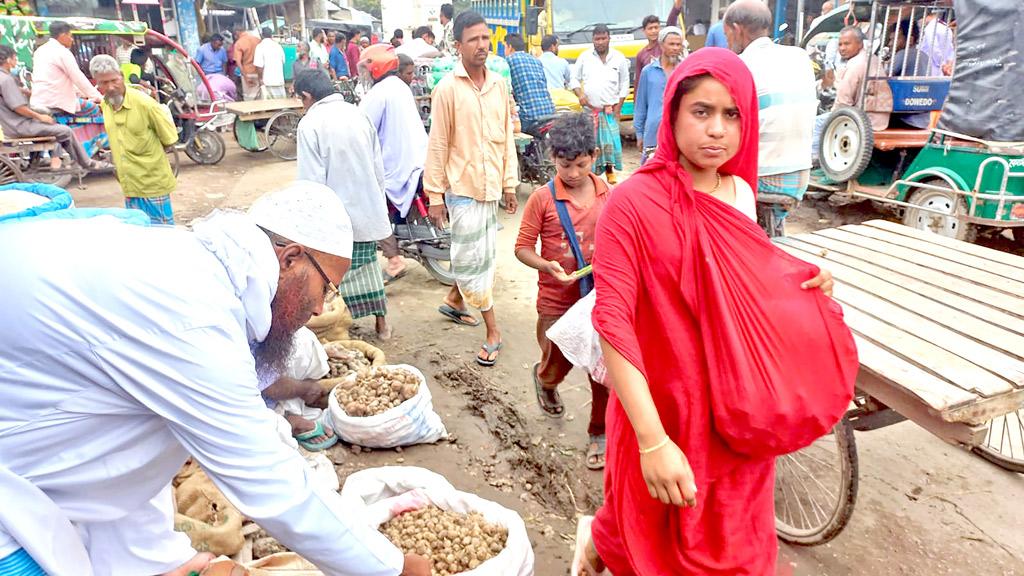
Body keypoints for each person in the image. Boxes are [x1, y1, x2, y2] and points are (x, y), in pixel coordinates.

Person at [0, 182, 432, 576]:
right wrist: (392, 569)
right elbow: (273, 485)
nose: (321, 310)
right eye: (326, 289)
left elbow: (129, 435)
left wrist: (167, 559)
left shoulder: (198, 271)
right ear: (291, 258)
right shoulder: (193, 316)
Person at [574, 47, 839, 576]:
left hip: (732, 404)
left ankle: (599, 542)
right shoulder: (631, 202)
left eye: (732, 114)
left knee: (733, 540)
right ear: (671, 115)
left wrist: (803, 283)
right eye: (702, 112)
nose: (717, 129)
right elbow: (612, 320)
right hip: (661, 404)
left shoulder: (740, 192)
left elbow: (739, 284)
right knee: (648, 529)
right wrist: (652, 443)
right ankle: (596, 546)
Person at [515, 112, 610, 470]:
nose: (571, 173)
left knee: (601, 369)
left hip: (597, 299)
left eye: (580, 164)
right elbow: (522, 247)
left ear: (594, 157)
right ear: (552, 158)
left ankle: (598, 432)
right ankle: (545, 380)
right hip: (556, 301)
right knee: (557, 362)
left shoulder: (608, 194)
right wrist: (546, 265)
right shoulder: (542, 199)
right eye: (564, 164)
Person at [425, 10, 518, 366]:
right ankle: (492, 331)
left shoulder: (499, 85)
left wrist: (510, 184)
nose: (482, 45)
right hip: (461, 189)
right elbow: (437, 144)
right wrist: (434, 195)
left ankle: (454, 300)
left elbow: (506, 137)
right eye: (473, 39)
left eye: (485, 38)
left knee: (482, 255)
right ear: (458, 45)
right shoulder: (447, 90)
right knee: (472, 262)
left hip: (491, 186)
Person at [294, 69, 394, 340]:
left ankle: (337, 326)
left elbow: (311, 181)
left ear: (306, 96)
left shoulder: (310, 123)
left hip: (333, 215)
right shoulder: (358, 114)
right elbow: (377, 166)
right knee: (368, 267)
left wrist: (308, 220)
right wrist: (377, 201)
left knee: (330, 274)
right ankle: (381, 325)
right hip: (366, 206)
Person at [726, 0, 817, 232]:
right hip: (799, 175)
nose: (728, 42)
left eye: (727, 35)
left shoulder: (740, 65)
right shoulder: (799, 56)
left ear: (737, 30)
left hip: (765, 176)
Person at [358, 44, 427, 282]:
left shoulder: (378, 94)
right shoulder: (399, 86)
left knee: (369, 203)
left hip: (398, 164)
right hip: (417, 157)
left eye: (365, 70)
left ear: (374, 67)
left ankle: (394, 260)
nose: (363, 76)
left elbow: (361, 128)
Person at [90, 55, 178, 225]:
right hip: (129, 183)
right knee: (139, 233)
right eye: (104, 83)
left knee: (163, 235)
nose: (110, 87)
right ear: (97, 84)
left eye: (114, 80)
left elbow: (169, 139)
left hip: (152, 183)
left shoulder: (145, 104)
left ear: (122, 76)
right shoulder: (105, 105)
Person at [0, 45, 109, 172]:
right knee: (65, 131)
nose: (16, 61)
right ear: (8, 60)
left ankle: (38, 163)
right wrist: (40, 117)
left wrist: (27, 92)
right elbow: (18, 107)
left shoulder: (4, 78)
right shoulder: (6, 80)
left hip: (10, 125)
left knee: (53, 126)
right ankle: (86, 162)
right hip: (19, 126)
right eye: (14, 58)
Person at [571, 24, 629, 184]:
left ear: (609, 38)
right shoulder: (584, 57)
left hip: (609, 110)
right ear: (593, 40)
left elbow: (624, 82)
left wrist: (619, 106)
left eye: (604, 38)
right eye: (597, 39)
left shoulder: (618, 57)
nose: (601, 42)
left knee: (610, 143)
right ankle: (589, 174)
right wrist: (580, 94)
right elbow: (574, 78)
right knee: (590, 143)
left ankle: (610, 171)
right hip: (590, 110)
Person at [29, 20, 102, 116]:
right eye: (70, 36)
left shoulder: (40, 51)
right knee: (95, 109)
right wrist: (99, 98)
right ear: (63, 36)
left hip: (38, 100)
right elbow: (78, 78)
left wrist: (82, 94)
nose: (72, 39)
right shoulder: (62, 52)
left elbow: (60, 79)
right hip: (57, 101)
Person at [634, 26, 684, 164]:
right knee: (652, 170)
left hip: (680, 131)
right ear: (661, 45)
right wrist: (639, 133)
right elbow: (641, 105)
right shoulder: (648, 72)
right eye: (671, 44)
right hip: (653, 133)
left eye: (678, 44)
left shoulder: (685, 70)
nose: (675, 48)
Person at [504, 33, 555, 133]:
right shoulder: (536, 61)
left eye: (505, 47)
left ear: (510, 47)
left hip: (529, 117)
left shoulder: (508, 61)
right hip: (549, 112)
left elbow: (506, 90)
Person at [633, 15, 662, 100]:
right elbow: (638, 82)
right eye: (650, 28)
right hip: (649, 97)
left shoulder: (665, 48)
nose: (654, 31)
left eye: (656, 27)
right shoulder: (641, 55)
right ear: (644, 31)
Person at [919, 11, 955, 77]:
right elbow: (951, 49)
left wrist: (942, 64)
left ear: (927, 16)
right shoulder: (945, 27)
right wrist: (949, 64)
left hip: (931, 69)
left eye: (920, 19)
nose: (920, 22)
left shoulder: (930, 28)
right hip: (945, 71)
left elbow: (933, 48)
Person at [254, 27, 287, 99]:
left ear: (262, 35)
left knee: (269, 106)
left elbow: (259, 66)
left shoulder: (260, 47)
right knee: (281, 105)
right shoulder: (278, 46)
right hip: (279, 81)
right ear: (271, 35)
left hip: (267, 82)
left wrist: (260, 79)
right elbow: (283, 62)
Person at [232, 24, 261, 101]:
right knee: (259, 99)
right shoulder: (257, 40)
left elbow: (238, 62)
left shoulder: (239, 43)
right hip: (259, 72)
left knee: (249, 99)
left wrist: (245, 77)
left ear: (237, 32)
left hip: (247, 73)